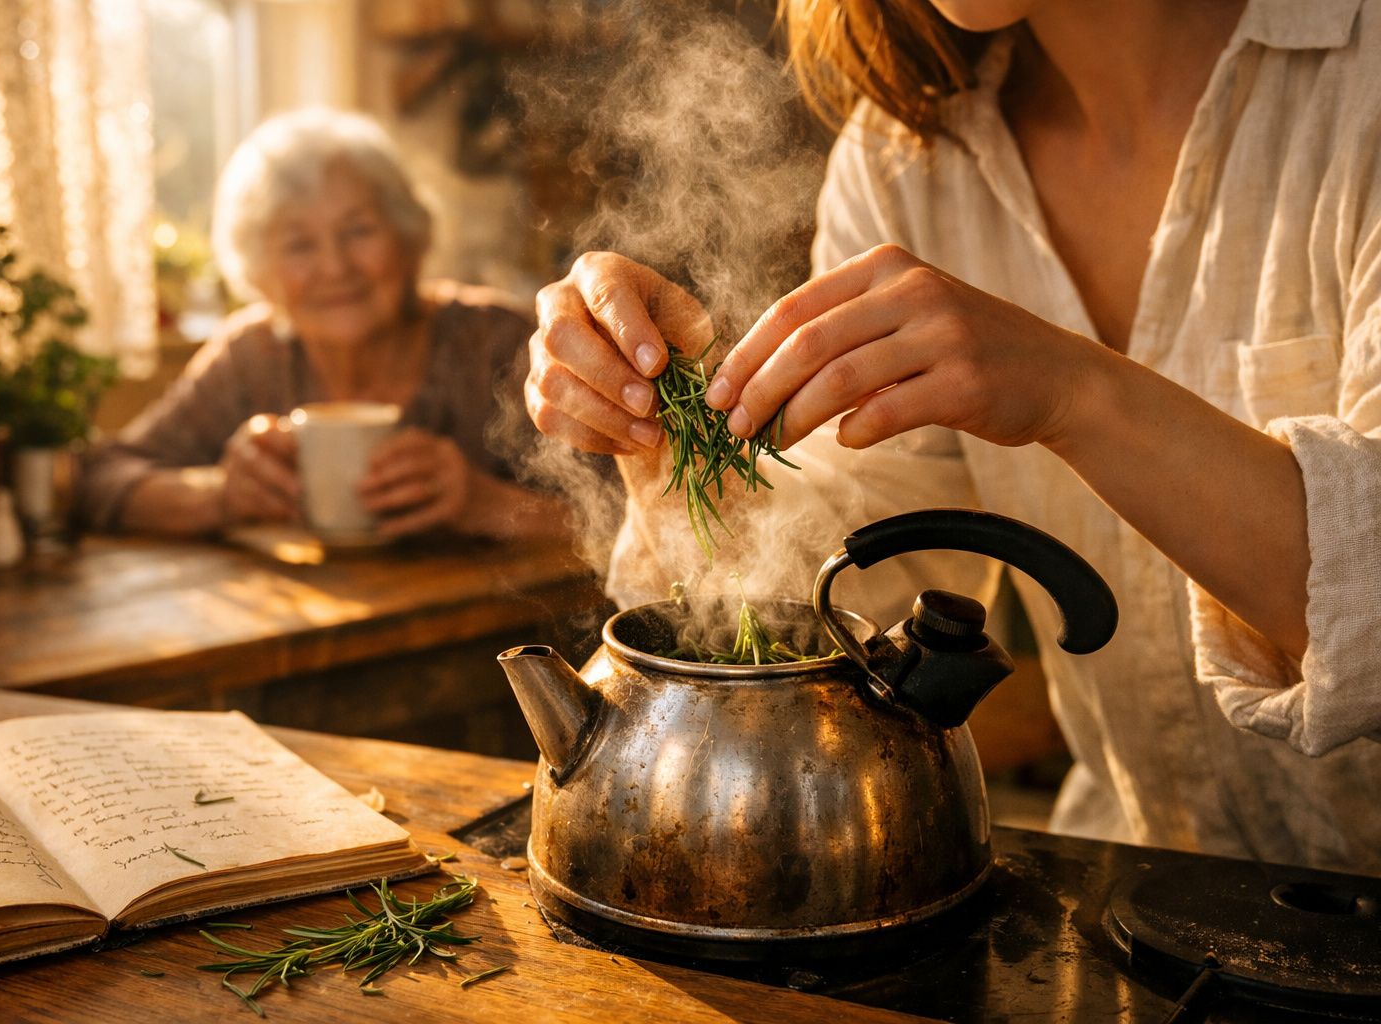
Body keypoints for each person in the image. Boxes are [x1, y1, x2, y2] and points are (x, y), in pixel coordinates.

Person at [525, 0, 1381, 875]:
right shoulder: (906, 154)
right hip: (1132, 885)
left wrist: (1073, 391)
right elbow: (838, 584)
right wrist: (662, 434)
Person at [78, 108, 565, 542]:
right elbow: (99, 477)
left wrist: (488, 506)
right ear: (259, 272)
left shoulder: (497, 344)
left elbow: (628, 523)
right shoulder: (252, 356)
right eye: (298, 245)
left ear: (410, 238)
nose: (334, 267)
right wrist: (219, 495)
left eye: (359, 231)